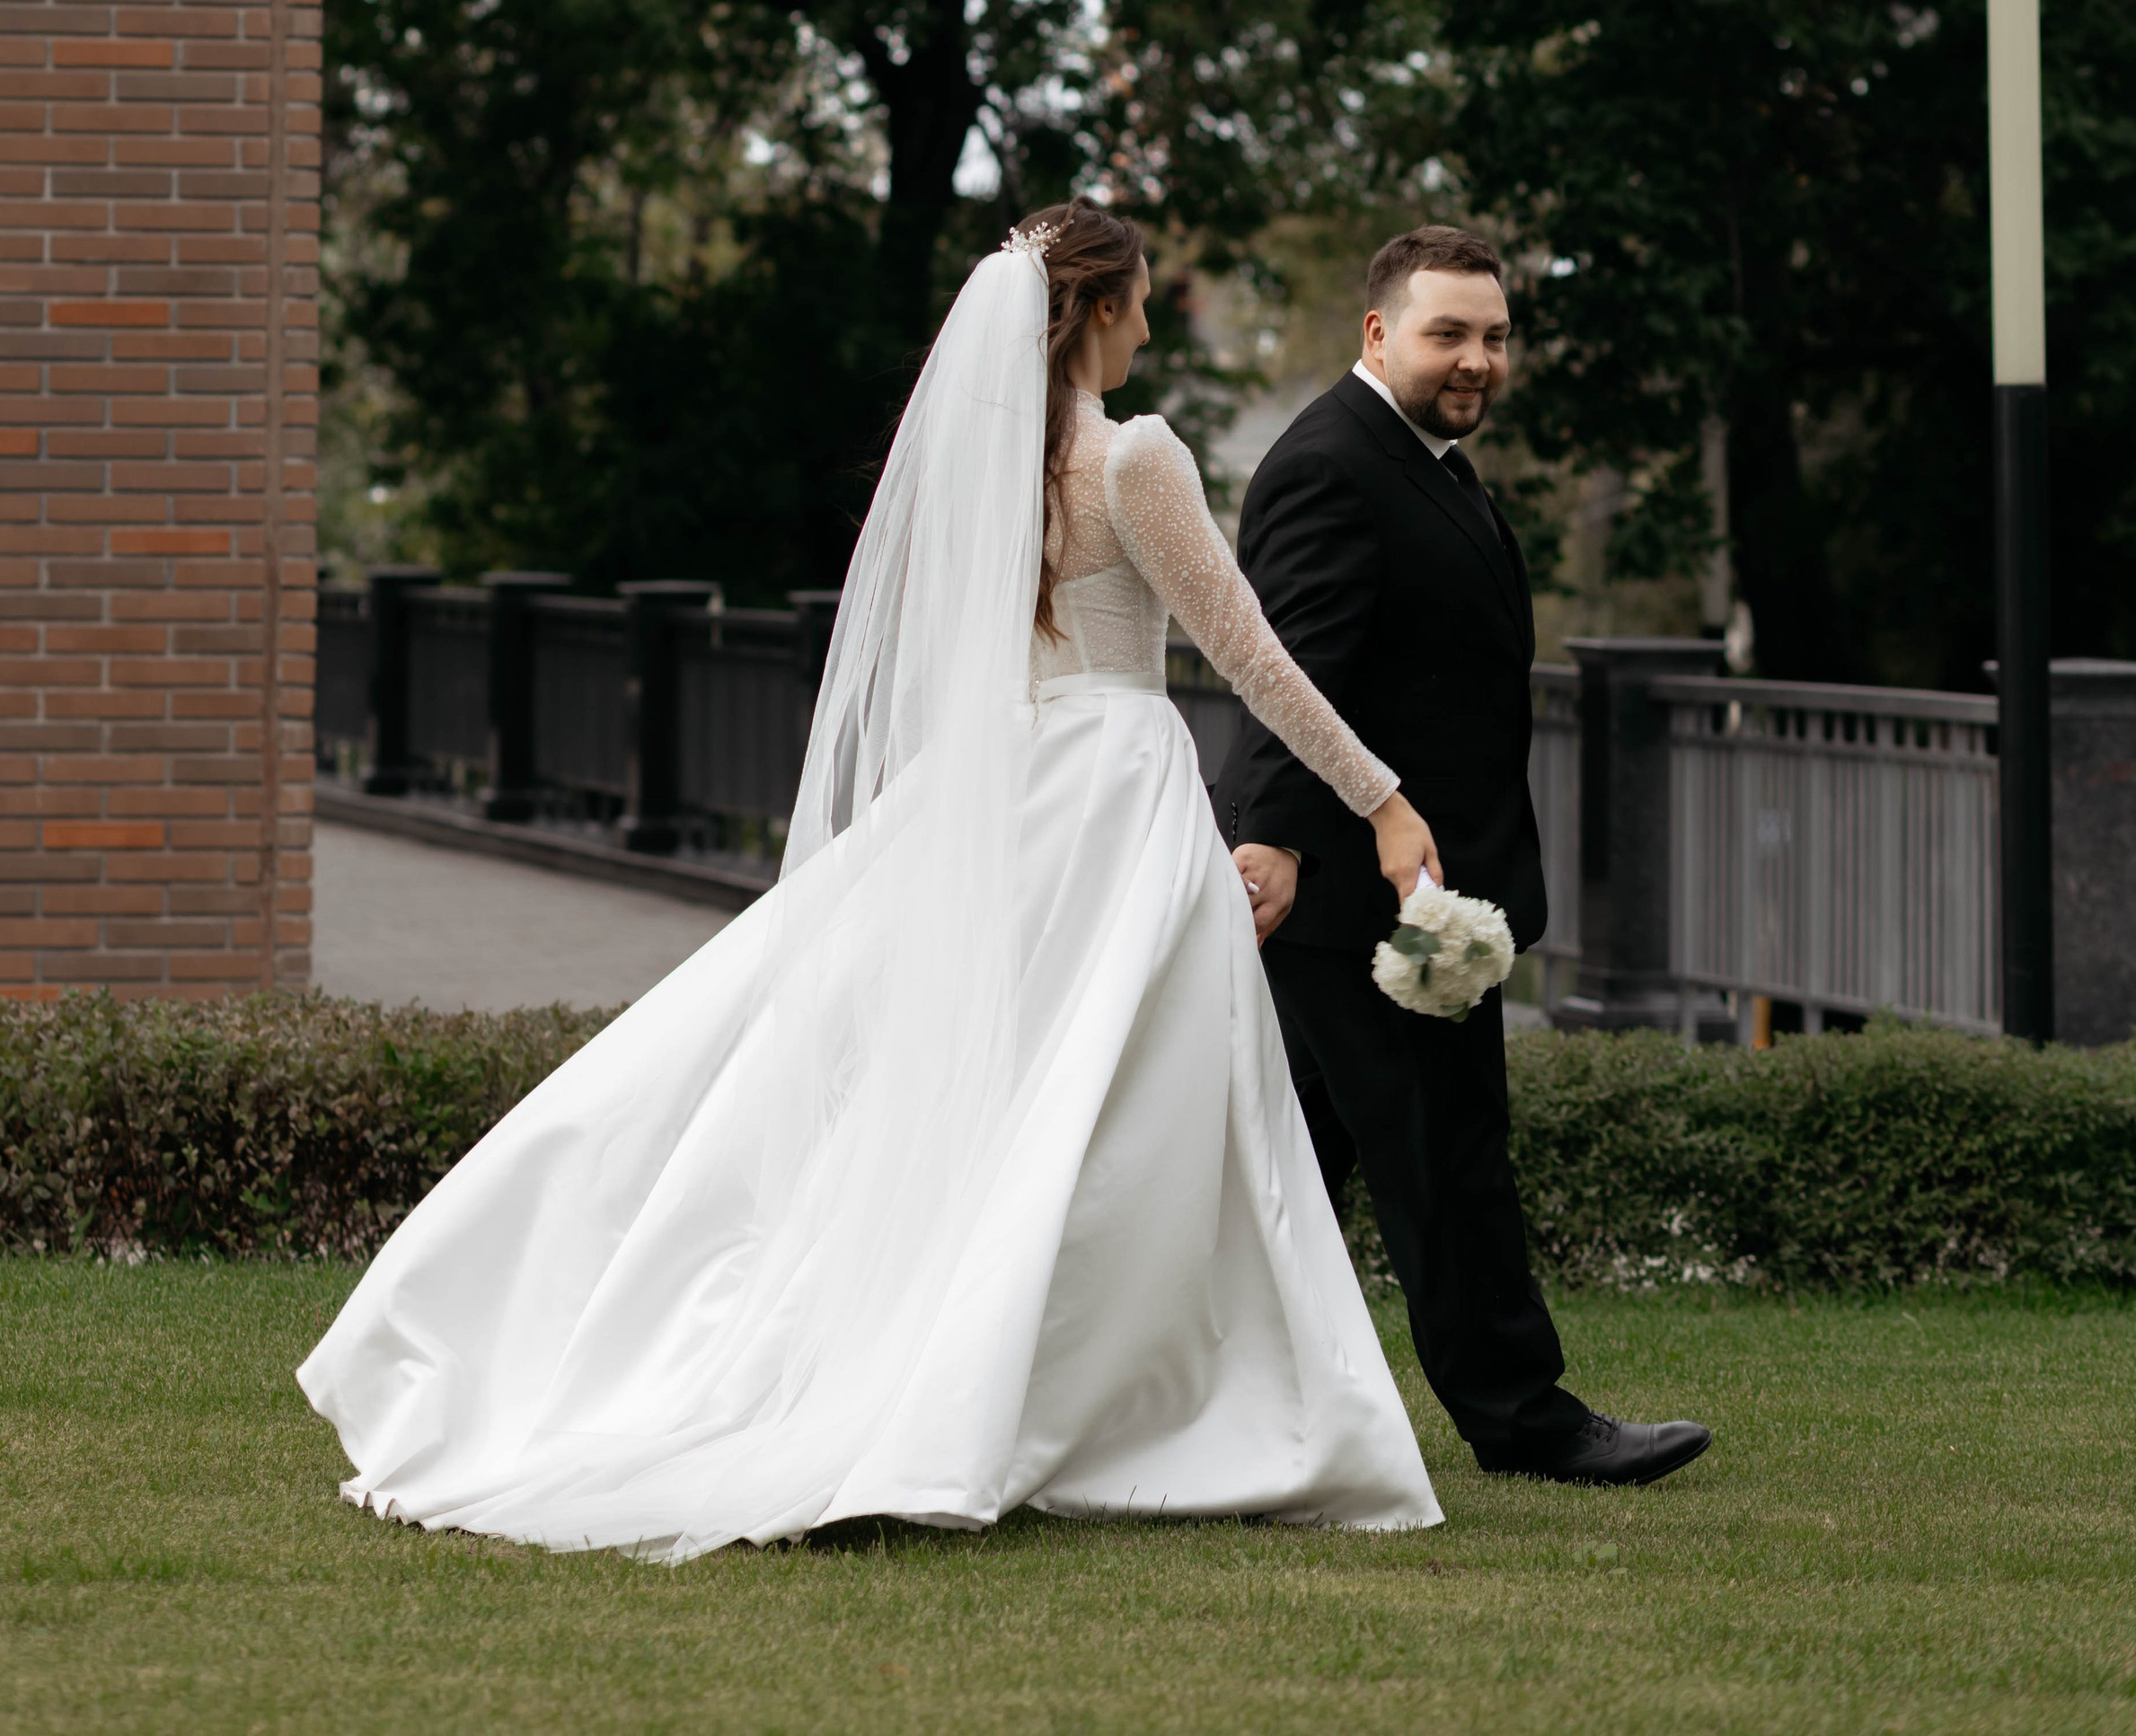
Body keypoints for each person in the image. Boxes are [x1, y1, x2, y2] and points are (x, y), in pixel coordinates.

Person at [298, 205, 1442, 1559]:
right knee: (1129, 1108)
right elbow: (1250, 655)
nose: (1144, 325)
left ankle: (1039, 1387)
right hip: (1114, 798)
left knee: (1011, 1100)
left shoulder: (994, 468)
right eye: (1135, 303)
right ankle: (1131, 1402)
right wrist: (1382, 797)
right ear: (1097, 312)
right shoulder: (1138, 460)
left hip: (1011, 787)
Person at [1221, 225, 1712, 1487]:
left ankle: (1226, 1416)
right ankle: (1526, 1420)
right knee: (1447, 1158)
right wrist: (1271, 839)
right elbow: (1291, 674)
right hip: (1365, 899)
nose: (1476, 361)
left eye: (1493, 337)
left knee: (1290, 1181)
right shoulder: (1335, 464)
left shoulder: (1429, 461)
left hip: (1407, 887)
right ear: (1377, 332)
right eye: (1448, 334)